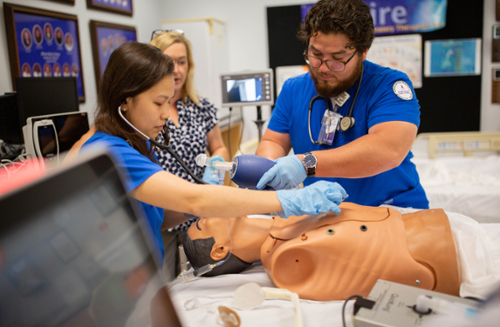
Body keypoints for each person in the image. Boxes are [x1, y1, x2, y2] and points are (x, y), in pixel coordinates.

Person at [71, 41, 347, 268]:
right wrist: (287, 199)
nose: (166, 114)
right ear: (125, 100)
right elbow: (194, 200)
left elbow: (157, 217)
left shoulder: (137, 143)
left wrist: (206, 191)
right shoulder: (107, 152)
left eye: (169, 101)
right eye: (158, 103)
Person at [255, 0, 428, 209]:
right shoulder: (293, 89)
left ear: (363, 52)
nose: (324, 68)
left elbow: (387, 149)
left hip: (391, 209)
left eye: (337, 59)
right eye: (315, 54)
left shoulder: (389, 86)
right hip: (325, 212)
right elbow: (274, 142)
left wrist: (305, 164)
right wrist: (268, 171)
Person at [183, 203, 466, 301]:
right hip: (444, 252)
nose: (211, 211)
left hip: (436, 230)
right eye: (205, 222)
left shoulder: (280, 226)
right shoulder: (285, 263)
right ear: (220, 250)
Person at [149, 30, 230, 278]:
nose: (176, 70)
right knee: (163, 286)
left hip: (199, 216)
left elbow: (218, 146)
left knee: (202, 279)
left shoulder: (201, 106)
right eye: (168, 62)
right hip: (162, 216)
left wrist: (216, 163)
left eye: (182, 62)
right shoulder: (147, 110)